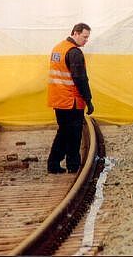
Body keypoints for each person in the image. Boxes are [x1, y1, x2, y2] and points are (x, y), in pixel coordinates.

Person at [47, 23, 94, 174]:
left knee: (64, 131)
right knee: (73, 133)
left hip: (58, 99)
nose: (86, 40)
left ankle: (55, 163)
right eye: (85, 37)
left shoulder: (58, 48)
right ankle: (72, 165)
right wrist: (88, 100)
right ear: (76, 33)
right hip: (71, 100)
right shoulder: (74, 53)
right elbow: (80, 78)